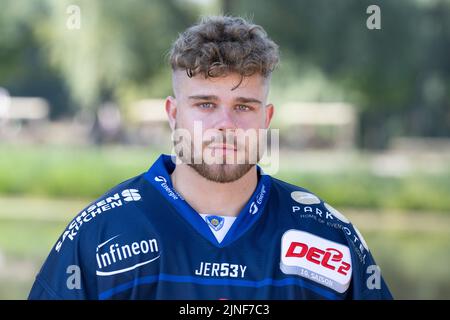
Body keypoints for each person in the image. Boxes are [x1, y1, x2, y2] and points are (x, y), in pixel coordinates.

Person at [28, 15, 392, 300]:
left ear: (266, 119)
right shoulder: (101, 233)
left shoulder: (327, 236)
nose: (226, 125)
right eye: (205, 104)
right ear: (173, 114)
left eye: (244, 107)